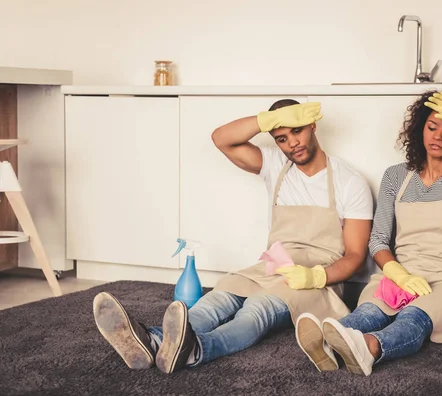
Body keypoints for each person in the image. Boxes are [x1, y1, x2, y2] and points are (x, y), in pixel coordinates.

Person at [92, 99, 373, 373]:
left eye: (296, 131)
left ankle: (196, 349)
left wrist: (315, 276)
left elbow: (356, 256)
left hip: (318, 278)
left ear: (312, 125)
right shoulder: (276, 166)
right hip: (274, 264)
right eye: (281, 138)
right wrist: (268, 121)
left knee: (257, 307)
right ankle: (151, 340)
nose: (292, 144)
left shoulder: (349, 182)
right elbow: (221, 138)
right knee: (220, 296)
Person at [295, 87, 442, 376]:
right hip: (403, 274)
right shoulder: (396, 176)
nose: (437, 137)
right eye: (432, 127)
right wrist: (398, 274)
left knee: (413, 317)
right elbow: (377, 240)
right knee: (369, 311)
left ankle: (369, 348)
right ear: (419, 129)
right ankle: (329, 342)